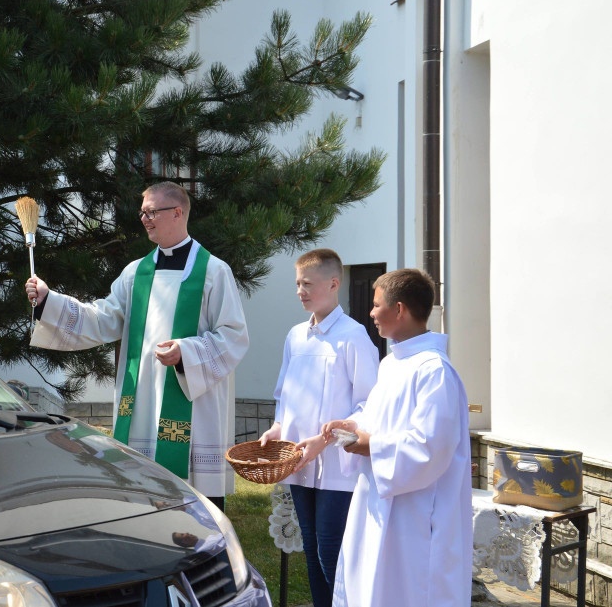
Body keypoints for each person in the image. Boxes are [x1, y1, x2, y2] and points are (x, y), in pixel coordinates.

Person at [25, 182, 248, 509]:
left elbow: (234, 336)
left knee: (197, 514)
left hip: (193, 411)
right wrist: (49, 301)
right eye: (142, 212)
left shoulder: (214, 272)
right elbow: (102, 319)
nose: (144, 219)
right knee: (143, 503)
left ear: (177, 212)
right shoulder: (135, 274)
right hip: (142, 405)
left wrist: (186, 353)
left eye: (152, 212)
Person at [320, 268, 471, 607]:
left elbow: (431, 447)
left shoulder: (434, 371)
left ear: (399, 309)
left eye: (376, 305)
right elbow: (381, 419)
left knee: (406, 591)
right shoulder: (393, 364)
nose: (371, 313)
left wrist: (370, 444)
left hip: (414, 513)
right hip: (378, 499)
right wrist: (352, 425)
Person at [256, 248, 379, 607]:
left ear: (334, 283)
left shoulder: (353, 337)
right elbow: (284, 393)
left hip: (338, 468)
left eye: (307, 283)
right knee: (311, 548)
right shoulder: (295, 336)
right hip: (299, 461)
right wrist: (278, 427)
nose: (300, 291)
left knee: (331, 550)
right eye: (297, 284)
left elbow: (368, 405)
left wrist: (327, 440)